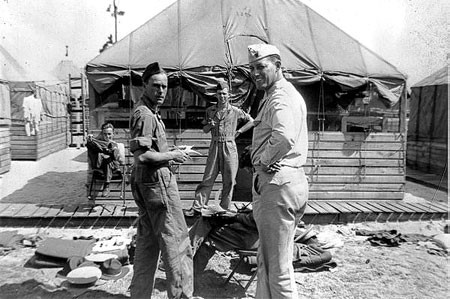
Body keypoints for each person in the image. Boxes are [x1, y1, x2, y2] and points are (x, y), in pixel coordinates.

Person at [247, 44, 309, 298]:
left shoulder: (281, 95)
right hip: (282, 183)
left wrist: (262, 160)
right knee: (268, 263)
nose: (256, 73)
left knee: (279, 269)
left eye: (261, 67)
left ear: (278, 65)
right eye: (252, 68)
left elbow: (283, 137)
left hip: (278, 184)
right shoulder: (277, 93)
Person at [128, 62, 194, 299]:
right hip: (157, 184)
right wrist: (174, 155)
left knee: (148, 244)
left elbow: (151, 149)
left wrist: (171, 151)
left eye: (164, 87)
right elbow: (143, 156)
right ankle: (181, 296)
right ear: (144, 85)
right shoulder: (145, 114)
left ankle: (139, 295)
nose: (161, 91)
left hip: (146, 184)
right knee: (177, 243)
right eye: (155, 86)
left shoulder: (146, 111)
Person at [184, 82, 254, 217]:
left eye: (224, 94)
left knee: (229, 180)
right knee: (208, 178)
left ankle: (224, 209)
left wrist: (239, 131)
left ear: (229, 95)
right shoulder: (210, 111)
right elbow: (204, 130)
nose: (222, 96)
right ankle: (197, 208)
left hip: (229, 146)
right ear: (216, 94)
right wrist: (210, 125)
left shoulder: (235, 111)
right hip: (215, 145)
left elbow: (252, 121)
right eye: (220, 93)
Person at [86, 122, 124, 197]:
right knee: (96, 148)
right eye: (105, 134)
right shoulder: (98, 142)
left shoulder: (114, 144)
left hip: (112, 166)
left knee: (108, 158)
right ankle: (106, 186)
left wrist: (114, 152)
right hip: (99, 164)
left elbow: (119, 160)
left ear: (113, 134)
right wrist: (90, 140)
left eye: (109, 134)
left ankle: (106, 185)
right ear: (102, 134)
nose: (107, 136)